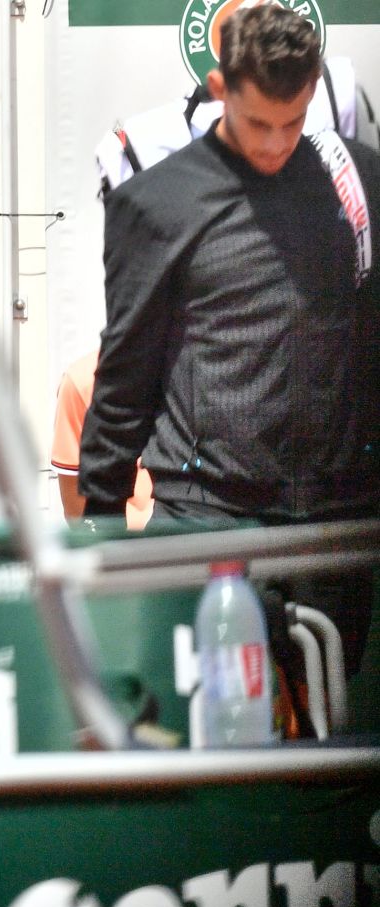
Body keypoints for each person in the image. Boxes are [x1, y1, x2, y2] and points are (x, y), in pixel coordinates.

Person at [80, 5, 379, 671]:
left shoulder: (356, 180)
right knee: (204, 751)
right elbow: (125, 376)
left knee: (331, 765)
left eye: (294, 123)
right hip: (203, 521)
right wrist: (100, 528)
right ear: (221, 91)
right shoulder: (156, 204)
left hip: (336, 525)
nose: (276, 143)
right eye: (258, 124)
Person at [49, 349, 152, 529]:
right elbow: (76, 511)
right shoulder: (81, 380)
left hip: (197, 544)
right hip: (120, 548)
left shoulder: (198, 369)